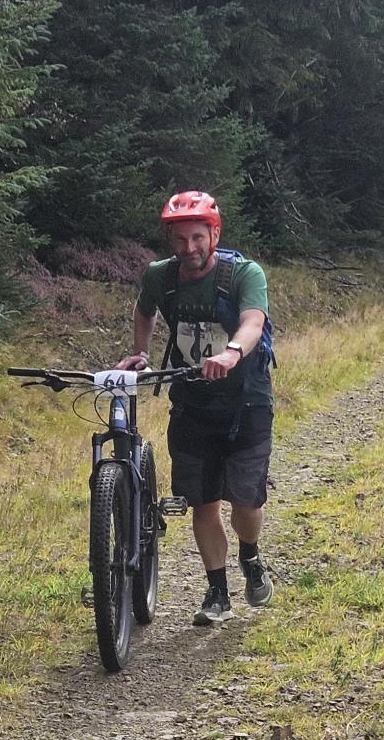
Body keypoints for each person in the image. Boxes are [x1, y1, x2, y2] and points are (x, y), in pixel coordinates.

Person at [118, 190, 276, 625]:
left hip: (246, 402)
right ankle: (217, 592)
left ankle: (250, 554)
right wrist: (139, 350)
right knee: (202, 502)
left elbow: (253, 322)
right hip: (191, 402)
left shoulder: (244, 273)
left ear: (214, 233)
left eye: (197, 238)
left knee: (245, 500)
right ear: (171, 240)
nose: (189, 248)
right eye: (180, 239)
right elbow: (145, 308)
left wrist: (231, 353)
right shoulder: (160, 276)